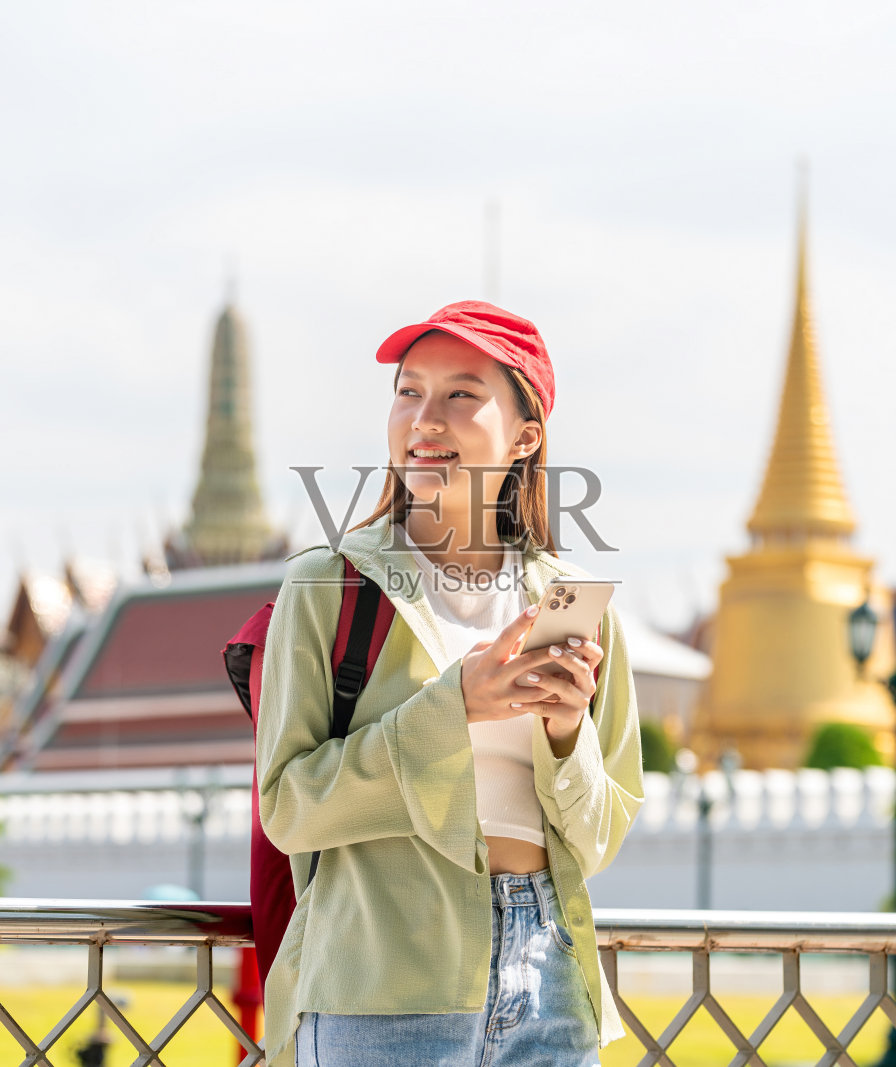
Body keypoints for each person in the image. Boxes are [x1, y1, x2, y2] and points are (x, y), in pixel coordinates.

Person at [255, 300, 644, 1067]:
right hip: (384, 975)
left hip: (553, 980)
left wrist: (569, 736)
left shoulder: (571, 605)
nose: (424, 418)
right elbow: (287, 808)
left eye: (461, 394)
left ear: (526, 435)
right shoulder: (328, 587)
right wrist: (453, 708)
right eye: (409, 391)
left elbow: (598, 836)